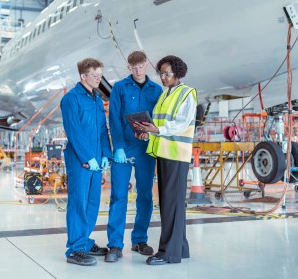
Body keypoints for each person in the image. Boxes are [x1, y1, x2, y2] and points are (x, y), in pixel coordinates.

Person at [133, 55, 197, 266]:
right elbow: (158, 124)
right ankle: (180, 248)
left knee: (171, 204)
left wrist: (157, 130)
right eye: (160, 73)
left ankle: (168, 253)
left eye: (166, 74)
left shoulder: (187, 93)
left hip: (176, 154)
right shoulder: (165, 94)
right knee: (170, 203)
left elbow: (181, 123)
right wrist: (147, 132)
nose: (162, 77)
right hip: (165, 153)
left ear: (177, 74)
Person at [105, 51, 162, 263]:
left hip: (146, 148)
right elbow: (114, 118)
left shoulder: (156, 90)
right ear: (129, 67)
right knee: (118, 195)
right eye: (134, 67)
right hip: (125, 148)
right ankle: (115, 245)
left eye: (141, 66)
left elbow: (158, 120)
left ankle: (139, 239)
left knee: (145, 195)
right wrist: (117, 147)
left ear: (147, 64)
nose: (138, 71)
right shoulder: (119, 87)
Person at [60, 58, 112, 266]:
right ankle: (75, 249)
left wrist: (106, 155)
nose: (99, 78)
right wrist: (87, 157)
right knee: (78, 204)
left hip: (96, 161)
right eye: (95, 75)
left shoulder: (96, 100)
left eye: (100, 74)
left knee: (92, 204)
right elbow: (74, 131)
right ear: (83, 76)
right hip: (80, 161)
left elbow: (102, 130)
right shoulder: (71, 99)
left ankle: (85, 241)